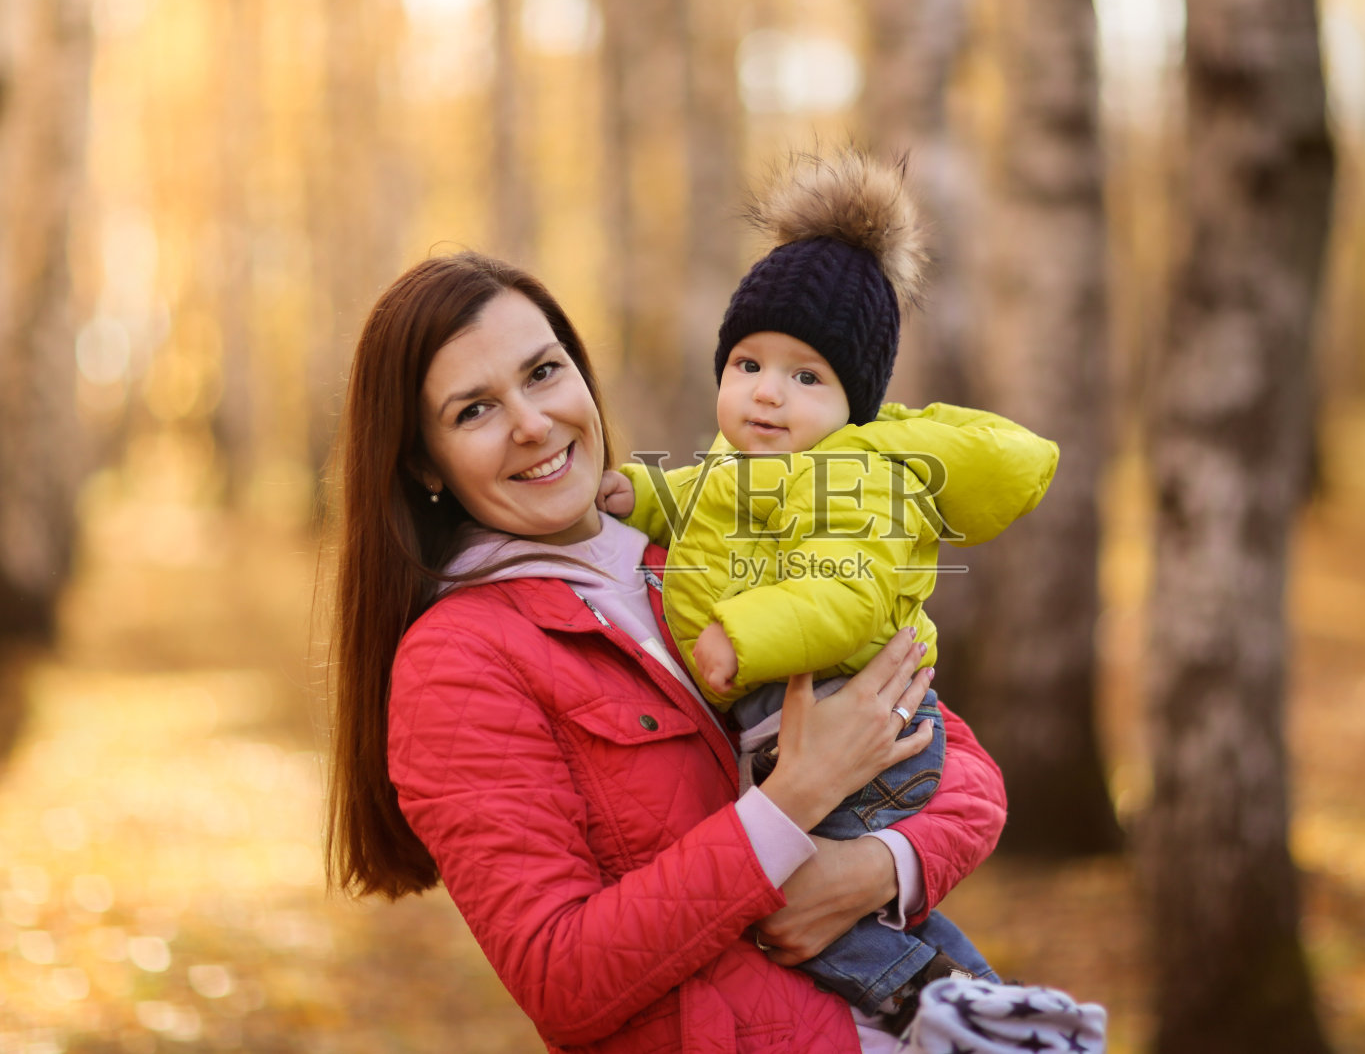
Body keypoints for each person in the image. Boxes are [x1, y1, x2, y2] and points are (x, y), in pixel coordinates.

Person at [322, 249, 1011, 1054]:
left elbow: (966, 771)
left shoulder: (694, 548)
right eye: (473, 410)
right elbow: (561, 979)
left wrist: (875, 868)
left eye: (543, 372)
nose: (532, 424)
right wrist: (788, 807)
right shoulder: (459, 660)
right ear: (421, 462)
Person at [588, 149, 1059, 1027]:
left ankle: (971, 1017)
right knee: (816, 906)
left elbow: (848, 590)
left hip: (859, 728)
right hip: (797, 731)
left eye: (807, 377)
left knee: (801, 908)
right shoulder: (748, 464)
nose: (768, 394)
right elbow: (707, 502)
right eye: (749, 365)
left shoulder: (863, 481)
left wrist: (747, 633)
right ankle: (980, 1015)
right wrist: (644, 496)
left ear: (856, 402)